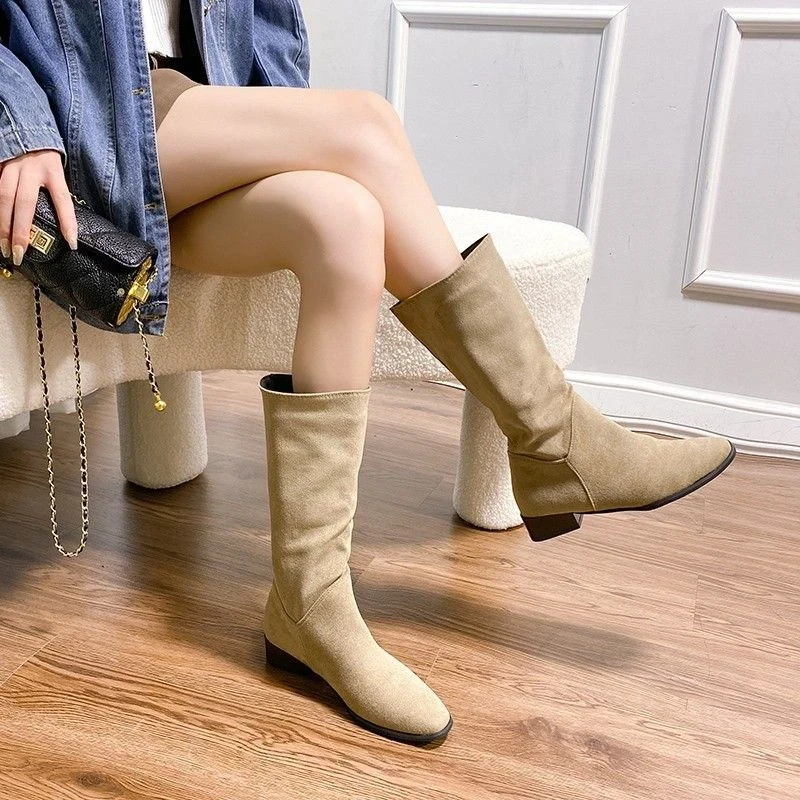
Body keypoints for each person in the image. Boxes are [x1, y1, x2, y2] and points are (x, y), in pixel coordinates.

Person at [0, 1, 736, 746]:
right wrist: (16, 131)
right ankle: (553, 436)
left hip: (192, 123)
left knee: (345, 220)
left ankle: (310, 603)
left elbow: (263, 25)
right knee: (365, 124)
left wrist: (283, 135)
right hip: (74, 128)